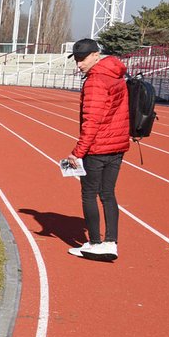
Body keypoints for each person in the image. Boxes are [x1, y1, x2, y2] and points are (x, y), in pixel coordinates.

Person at [65, 37, 130, 261]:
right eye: (76, 59)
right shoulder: (117, 75)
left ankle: (94, 242)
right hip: (117, 146)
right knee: (108, 194)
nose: (79, 64)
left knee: (89, 194)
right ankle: (111, 242)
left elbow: (91, 121)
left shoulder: (95, 81)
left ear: (96, 55)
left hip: (98, 148)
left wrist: (77, 152)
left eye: (82, 59)